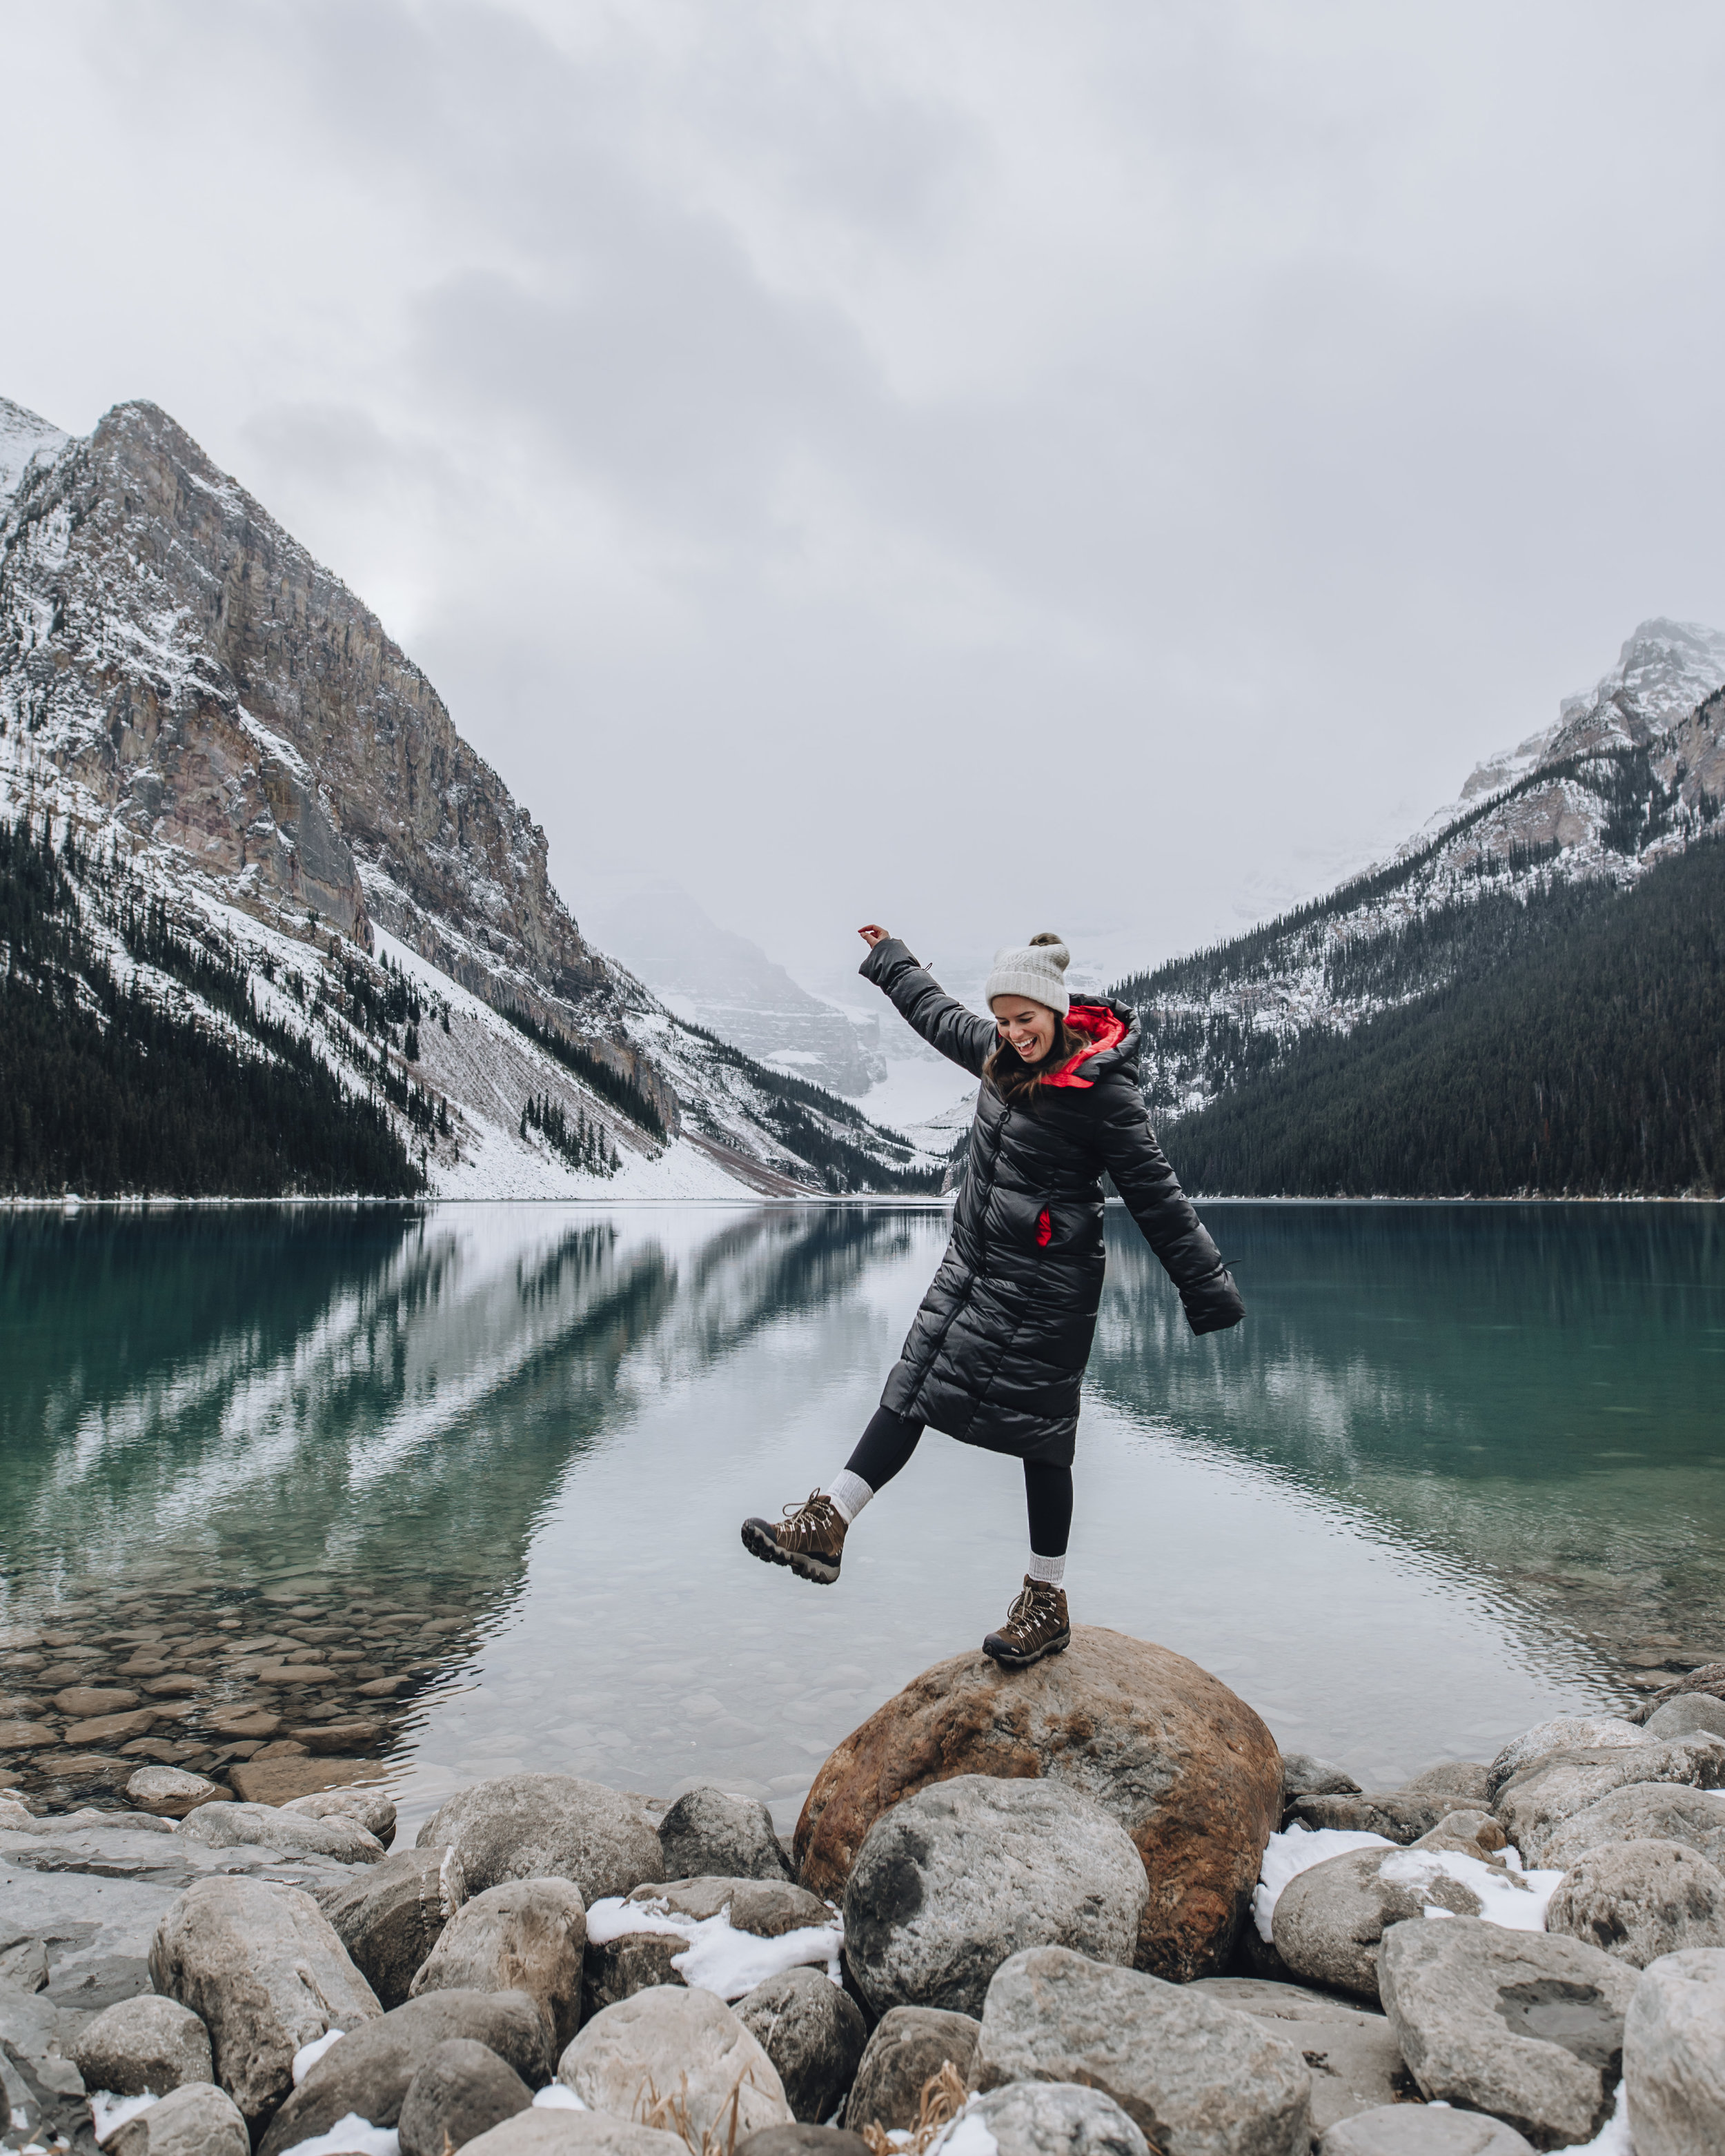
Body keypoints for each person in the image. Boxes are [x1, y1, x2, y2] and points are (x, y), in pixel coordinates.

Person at [741, 927, 1245, 1668]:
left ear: (1054, 1009)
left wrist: (1207, 1291)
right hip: (973, 1266)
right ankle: (830, 1523)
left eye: (1025, 1019)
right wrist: (894, 963)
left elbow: (1156, 1195)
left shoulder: (1102, 1093)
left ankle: (1046, 1600)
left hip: (1046, 1286)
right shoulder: (995, 1054)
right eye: (1003, 1021)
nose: (1013, 1033)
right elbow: (937, 1013)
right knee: (910, 1384)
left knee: (1041, 1436)